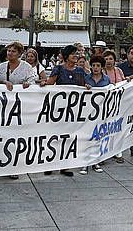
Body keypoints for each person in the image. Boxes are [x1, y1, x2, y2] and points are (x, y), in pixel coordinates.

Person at [40, 44, 88, 176]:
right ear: (66, 56)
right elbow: (50, 83)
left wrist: (88, 87)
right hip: (59, 109)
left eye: (77, 54)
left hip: (73, 111)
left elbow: (83, 85)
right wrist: (44, 83)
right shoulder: (59, 69)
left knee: (68, 138)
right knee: (54, 137)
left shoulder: (80, 70)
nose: (76, 56)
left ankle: (65, 166)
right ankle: (49, 164)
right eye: (73, 53)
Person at [80, 55, 110, 174]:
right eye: (93, 66)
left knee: (98, 137)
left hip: (101, 112)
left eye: (98, 66)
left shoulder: (106, 79)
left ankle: (95, 161)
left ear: (102, 67)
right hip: (88, 112)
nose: (96, 68)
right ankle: (84, 163)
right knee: (87, 137)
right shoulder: (86, 78)